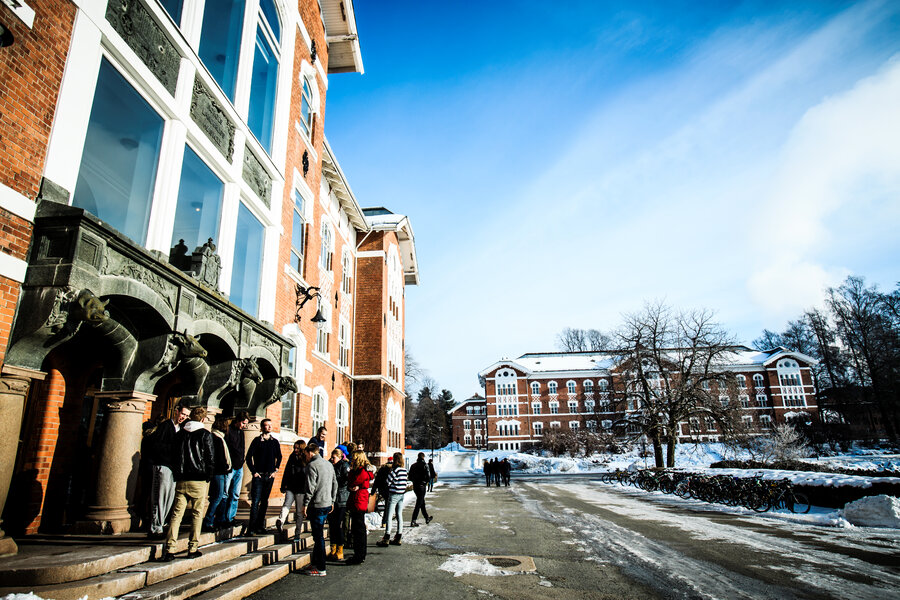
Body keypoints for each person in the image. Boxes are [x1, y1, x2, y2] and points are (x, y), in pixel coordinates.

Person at [158, 406, 215, 561]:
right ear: (203, 419)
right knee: (197, 514)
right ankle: (193, 547)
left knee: (176, 515)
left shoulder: (180, 434)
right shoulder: (205, 434)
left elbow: (174, 455)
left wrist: (177, 473)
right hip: (199, 479)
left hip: (181, 479)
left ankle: (170, 549)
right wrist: (208, 476)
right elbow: (210, 458)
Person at [147, 404, 190, 539]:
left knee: (169, 497)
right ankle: (155, 527)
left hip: (174, 468)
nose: (184, 417)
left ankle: (161, 524)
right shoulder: (166, 426)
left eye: (187, 415)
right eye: (183, 414)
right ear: (176, 412)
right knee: (159, 496)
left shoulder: (181, 429)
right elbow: (157, 446)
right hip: (163, 465)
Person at [300, 442, 337, 576]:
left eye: (306, 455)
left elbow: (311, 487)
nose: (306, 458)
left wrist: (305, 504)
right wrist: (332, 500)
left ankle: (321, 568)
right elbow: (335, 483)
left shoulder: (312, 466)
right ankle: (315, 562)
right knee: (319, 535)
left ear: (310, 453)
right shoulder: (328, 464)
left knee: (318, 537)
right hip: (327, 503)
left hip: (317, 504)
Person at [246, 418, 282, 534]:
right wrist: (254, 471)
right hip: (259, 475)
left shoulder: (274, 442)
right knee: (255, 502)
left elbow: (279, 456)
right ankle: (252, 528)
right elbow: (248, 457)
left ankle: (260, 525)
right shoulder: (257, 441)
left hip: (269, 476)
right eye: (267, 425)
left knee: (265, 501)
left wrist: (275, 470)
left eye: (270, 425)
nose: (269, 427)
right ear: (262, 428)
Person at [201, 414, 232, 532]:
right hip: (219, 472)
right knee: (218, 496)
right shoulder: (216, 439)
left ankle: (220, 519)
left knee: (222, 496)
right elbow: (218, 457)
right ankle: (208, 521)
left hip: (220, 471)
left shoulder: (219, 438)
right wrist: (226, 467)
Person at [344, 450, 374, 565]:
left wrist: (351, 484)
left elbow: (352, 480)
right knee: (358, 528)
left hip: (358, 500)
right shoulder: (363, 471)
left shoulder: (360, 471)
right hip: (359, 499)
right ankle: (360, 554)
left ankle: (359, 555)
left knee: (358, 529)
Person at [276, 440, 307, 540]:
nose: (295, 450)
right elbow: (286, 471)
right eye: (295, 447)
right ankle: (281, 521)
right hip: (291, 486)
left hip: (300, 489)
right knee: (287, 504)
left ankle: (297, 532)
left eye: (297, 448)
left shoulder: (306, 459)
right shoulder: (292, 456)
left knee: (298, 512)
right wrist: (283, 485)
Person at [376, 452, 407, 547]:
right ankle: (398, 536)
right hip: (401, 495)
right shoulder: (404, 470)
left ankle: (386, 537)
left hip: (393, 494)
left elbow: (388, 481)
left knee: (389, 515)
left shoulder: (395, 471)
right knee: (399, 515)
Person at [327, 448, 350, 560]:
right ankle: (333, 548)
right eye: (331, 457)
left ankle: (340, 549)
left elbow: (345, 480)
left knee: (338, 525)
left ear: (340, 457)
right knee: (332, 525)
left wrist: (335, 481)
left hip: (341, 499)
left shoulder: (344, 466)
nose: (332, 459)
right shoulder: (330, 465)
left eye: (334, 457)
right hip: (332, 499)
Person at [408, 452, 433, 527]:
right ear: (423, 457)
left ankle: (426, 517)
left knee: (422, 502)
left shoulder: (413, 465)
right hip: (422, 486)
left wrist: (415, 481)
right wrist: (425, 482)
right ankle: (413, 520)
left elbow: (410, 477)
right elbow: (428, 477)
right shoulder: (425, 465)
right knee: (419, 503)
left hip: (415, 486)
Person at [372, 460, 393, 528]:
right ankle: (385, 521)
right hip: (390, 489)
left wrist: (373, 490)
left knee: (387, 504)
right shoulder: (393, 469)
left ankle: (384, 521)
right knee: (388, 505)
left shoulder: (382, 469)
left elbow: (377, 480)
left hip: (381, 489)